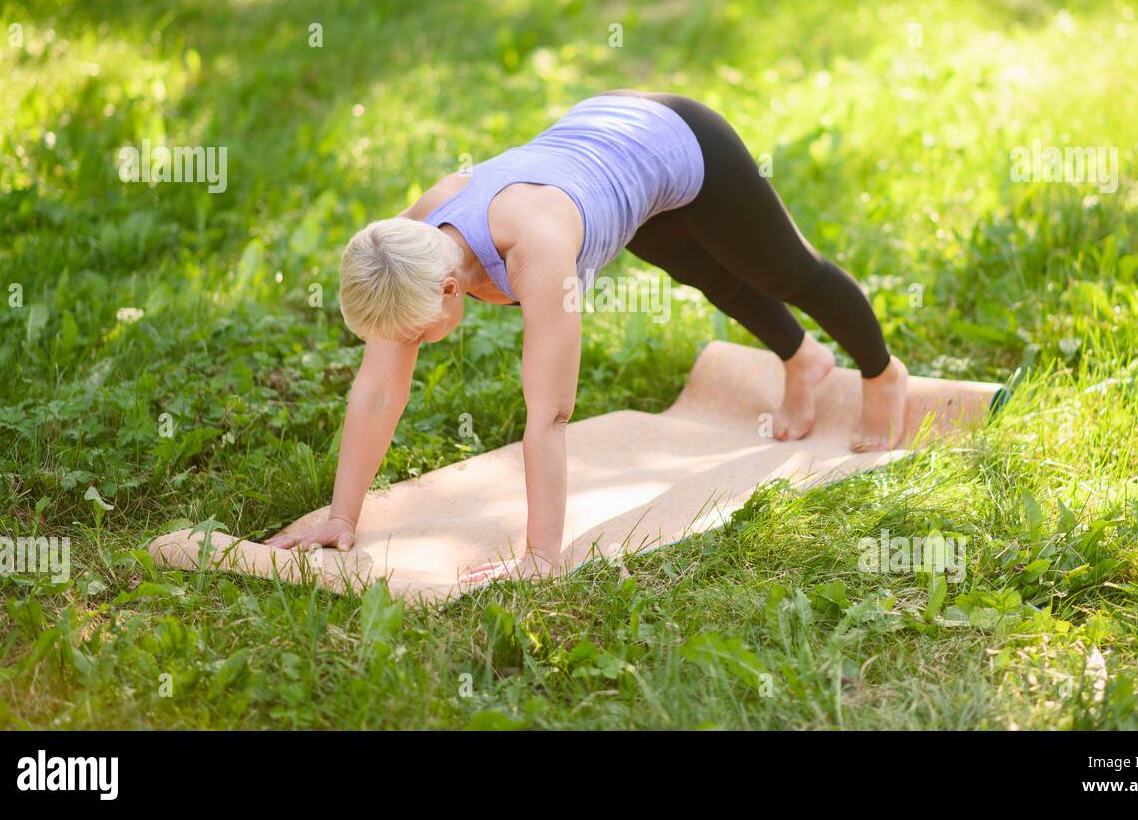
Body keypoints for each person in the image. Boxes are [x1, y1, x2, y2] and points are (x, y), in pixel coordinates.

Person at [267, 91, 908, 582]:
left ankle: (883, 374)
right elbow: (379, 391)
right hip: (607, 151)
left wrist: (541, 557)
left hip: (679, 139)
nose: (413, 345)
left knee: (788, 272)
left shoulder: (538, 253)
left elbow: (549, 415)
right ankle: (803, 360)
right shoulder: (406, 249)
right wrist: (341, 516)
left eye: (416, 334)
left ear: (450, 291)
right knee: (712, 276)